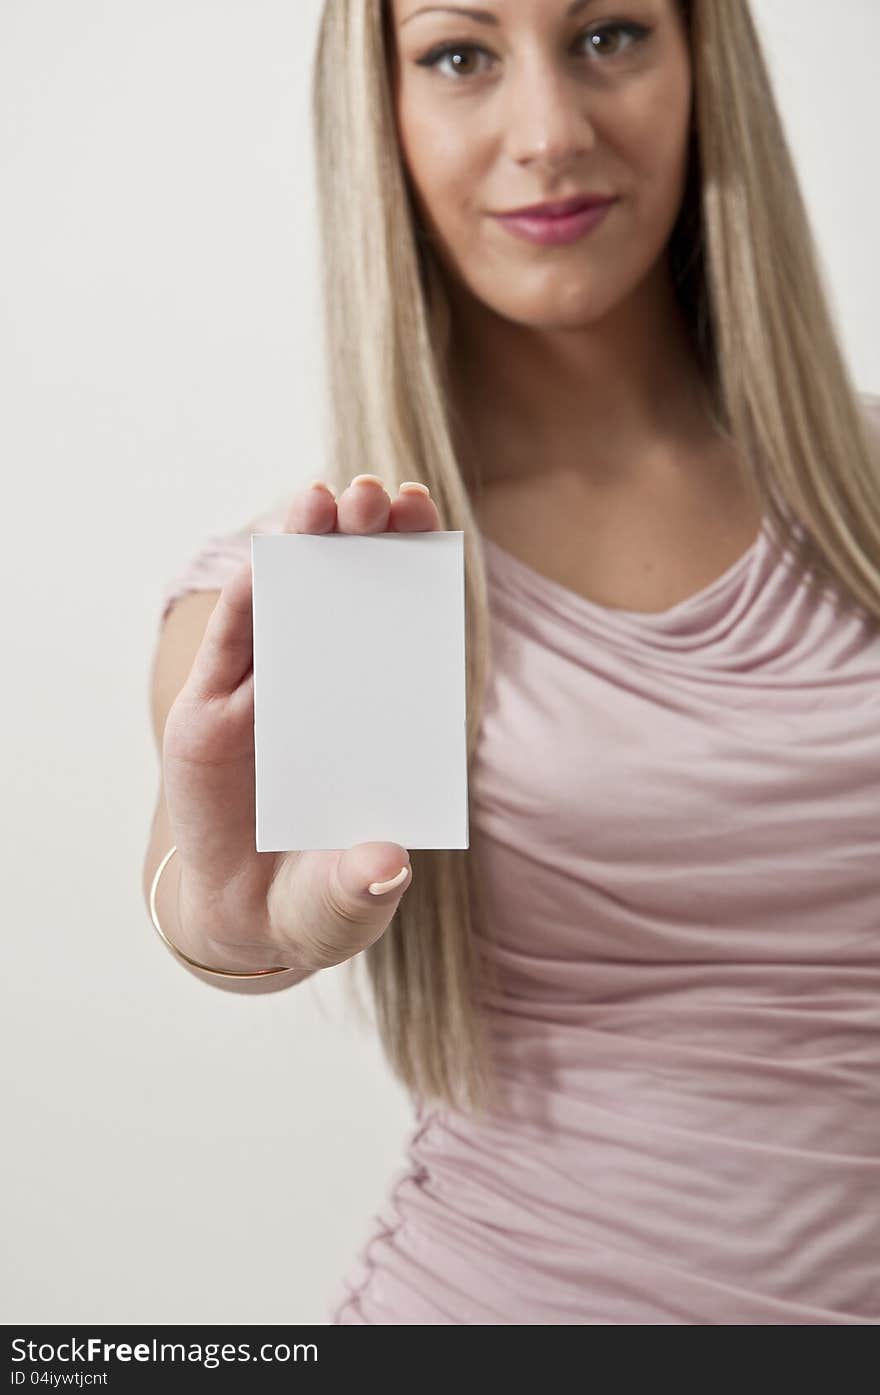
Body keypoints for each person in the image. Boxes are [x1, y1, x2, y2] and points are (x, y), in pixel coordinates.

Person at [144, 0, 880, 1324]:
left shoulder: (867, 498)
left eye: (608, 35)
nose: (550, 133)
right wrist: (230, 928)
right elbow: (218, 908)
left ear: (705, 60)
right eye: (460, 54)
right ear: (382, 110)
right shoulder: (324, 591)